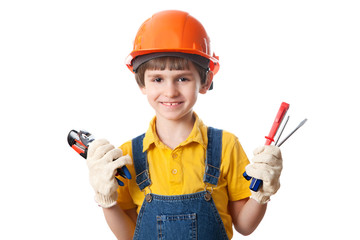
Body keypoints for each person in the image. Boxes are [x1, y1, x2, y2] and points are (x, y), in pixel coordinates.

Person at [85, 10, 283, 240]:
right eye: (158, 79)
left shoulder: (226, 146)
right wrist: (107, 201)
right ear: (142, 82)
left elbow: (244, 226)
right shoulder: (128, 155)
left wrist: (261, 194)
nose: (170, 91)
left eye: (183, 78)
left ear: (205, 81)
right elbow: (129, 236)